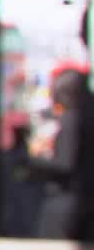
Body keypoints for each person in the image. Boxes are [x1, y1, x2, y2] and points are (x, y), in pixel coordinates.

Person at [27, 68, 82, 239]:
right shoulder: (79, 118)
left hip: (64, 199)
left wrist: (34, 161)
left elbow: (65, 163)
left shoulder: (71, 122)